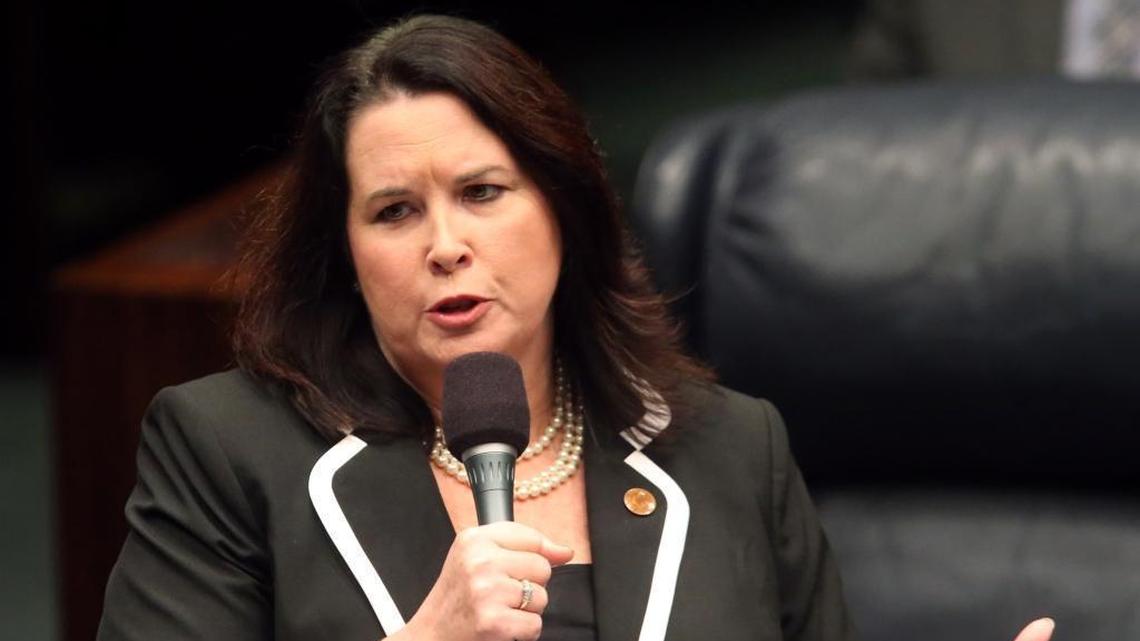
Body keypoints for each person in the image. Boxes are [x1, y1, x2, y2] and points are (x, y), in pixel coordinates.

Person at [96, 14, 1054, 641]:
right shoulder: (225, 449)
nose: (444, 245)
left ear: (565, 209)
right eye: (394, 211)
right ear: (344, 249)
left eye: (482, 193)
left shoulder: (727, 446)